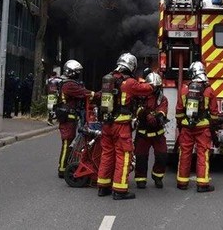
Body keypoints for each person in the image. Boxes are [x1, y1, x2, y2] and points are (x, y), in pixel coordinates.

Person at [97, 53, 155, 200]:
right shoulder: (129, 82)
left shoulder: (108, 78)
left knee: (107, 154)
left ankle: (103, 187)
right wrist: (148, 82)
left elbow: (98, 96)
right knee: (124, 155)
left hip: (107, 124)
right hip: (121, 125)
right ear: (132, 66)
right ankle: (120, 190)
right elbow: (147, 90)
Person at [175, 61, 218, 193]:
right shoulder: (209, 90)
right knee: (202, 154)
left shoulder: (184, 89)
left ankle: (182, 182)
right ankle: (202, 184)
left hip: (187, 127)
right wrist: (212, 125)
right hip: (203, 127)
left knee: (185, 153)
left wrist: (182, 124)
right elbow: (214, 112)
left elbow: (179, 110)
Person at [55, 60, 93, 178]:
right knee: (67, 142)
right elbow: (82, 93)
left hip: (69, 116)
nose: (77, 74)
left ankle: (64, 166)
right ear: (70, 72)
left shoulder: (65, 83)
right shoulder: (69, 84)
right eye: (76, 72)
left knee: (69, 141)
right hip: (68, 117)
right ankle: (62, 169)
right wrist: (95, 94)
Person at [134, 72, 169, 189]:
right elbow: (136, 110)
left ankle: (157, 177)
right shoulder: (140, 97)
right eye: (152, 86)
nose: (154, 89)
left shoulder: (162, 98)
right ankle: (140, 179)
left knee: (162, 155)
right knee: (141, 157)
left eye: (156, 86)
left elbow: (163, 109)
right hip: (143, 133)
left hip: (158, 133)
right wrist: (145, 113)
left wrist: (158, 116)